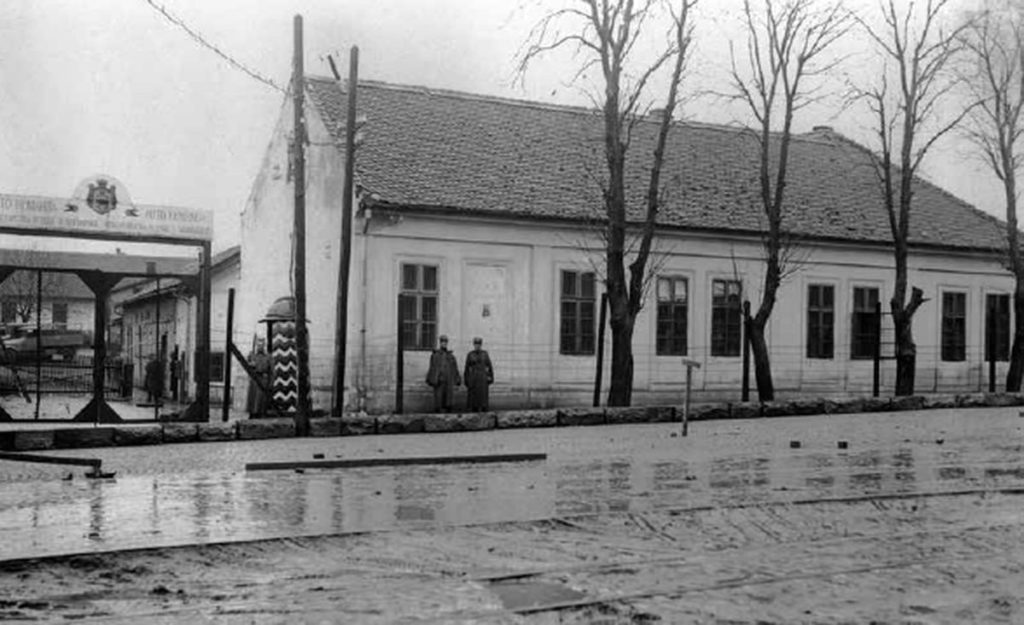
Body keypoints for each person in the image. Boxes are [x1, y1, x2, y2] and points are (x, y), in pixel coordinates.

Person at [426, 334, 460, 412]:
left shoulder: (451, 356)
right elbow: (432, 367)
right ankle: (438, 409)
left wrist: (457, 379)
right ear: (440, 343)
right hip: (439, 379)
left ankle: (448, 409)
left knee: (448, 396)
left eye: (445, 342)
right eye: (442, 342)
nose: (444, 344)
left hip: (448, 379)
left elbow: (455, 368)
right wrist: (431, 378)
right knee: (439, 395)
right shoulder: (435, 355)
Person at [463, 337, 493, 412]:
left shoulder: (485, 354)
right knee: (473, 396)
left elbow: (489, 366)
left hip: (482, 377)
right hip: (473, 377)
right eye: (476, 344)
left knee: (482, 396)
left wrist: (490, 377)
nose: (477, 346)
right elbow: (467, 368)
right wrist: (466, 379)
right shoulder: (470, 354)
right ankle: (474, 411)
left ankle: (483, 410)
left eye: (479, 344)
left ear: (481, 345)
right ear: (474, 345)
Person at [246, 338, 271, 418]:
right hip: (254, 379)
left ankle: (261, 414)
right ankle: (252, 414)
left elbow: (272, 372)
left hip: (263, 380)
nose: (260, 346)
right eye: (258, 344)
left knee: (261, 399)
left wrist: (270, 384)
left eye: (262, 344)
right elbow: (246, 367)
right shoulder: (251, 355)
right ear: (256, 345)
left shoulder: (268, 356)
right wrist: (250, 364)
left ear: (264, 345)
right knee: (253, 398)